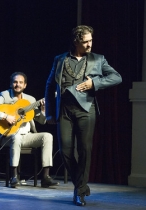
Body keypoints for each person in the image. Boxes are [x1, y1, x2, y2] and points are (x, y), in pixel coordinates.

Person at [45, 25, 122, 206]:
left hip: (86, 110)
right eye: (85, 41)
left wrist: (94, 83)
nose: (89, 45)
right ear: (76, 41)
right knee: (65, 151)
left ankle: (79, 191)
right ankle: (81, 184)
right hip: (64, 109)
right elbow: (49, 86)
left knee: (85, 150)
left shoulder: (98, 59)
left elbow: (117, 77)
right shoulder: (60, 59)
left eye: (90, 41)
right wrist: (49, 113)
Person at [0, 72, 58, 188]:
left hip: (26, 136)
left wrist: (43, 110)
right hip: (7, 136)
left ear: (25, 85)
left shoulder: (30, 100)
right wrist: (5, 116)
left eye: (21, 82)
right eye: (15, 82)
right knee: (16, 137)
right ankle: (14, 176)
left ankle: (45, 177)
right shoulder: (5, 96)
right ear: (11, 84)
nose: (18, 85)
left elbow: (42, 121)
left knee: (47, 136)